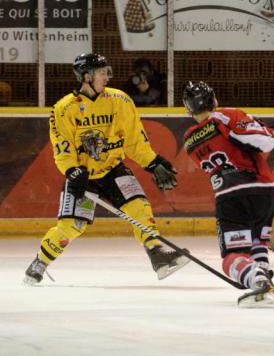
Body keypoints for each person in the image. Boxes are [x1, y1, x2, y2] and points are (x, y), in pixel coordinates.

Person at [24, 53, 187, 285]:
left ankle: (157, 255)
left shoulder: (120, 100)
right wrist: (72, 171)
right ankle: (39, 263)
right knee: (72, 227)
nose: (106, 76)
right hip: (82, 175)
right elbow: (62, 148)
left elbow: (135, 141)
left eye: (106, 71)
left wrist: (153, 162)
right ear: (86, 76)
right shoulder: (64, 108)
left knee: (139, 207)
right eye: (101, 72)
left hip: (113, 170)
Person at [182, 81, 274, 306]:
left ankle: (257, 279)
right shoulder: (226, 115)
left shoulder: (188, 140)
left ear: (189, 110)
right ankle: (262, 276)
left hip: (231, 195)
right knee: (258, 241)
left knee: (232, 257)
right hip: (264, 190)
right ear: (214, 100)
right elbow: (261, 140)